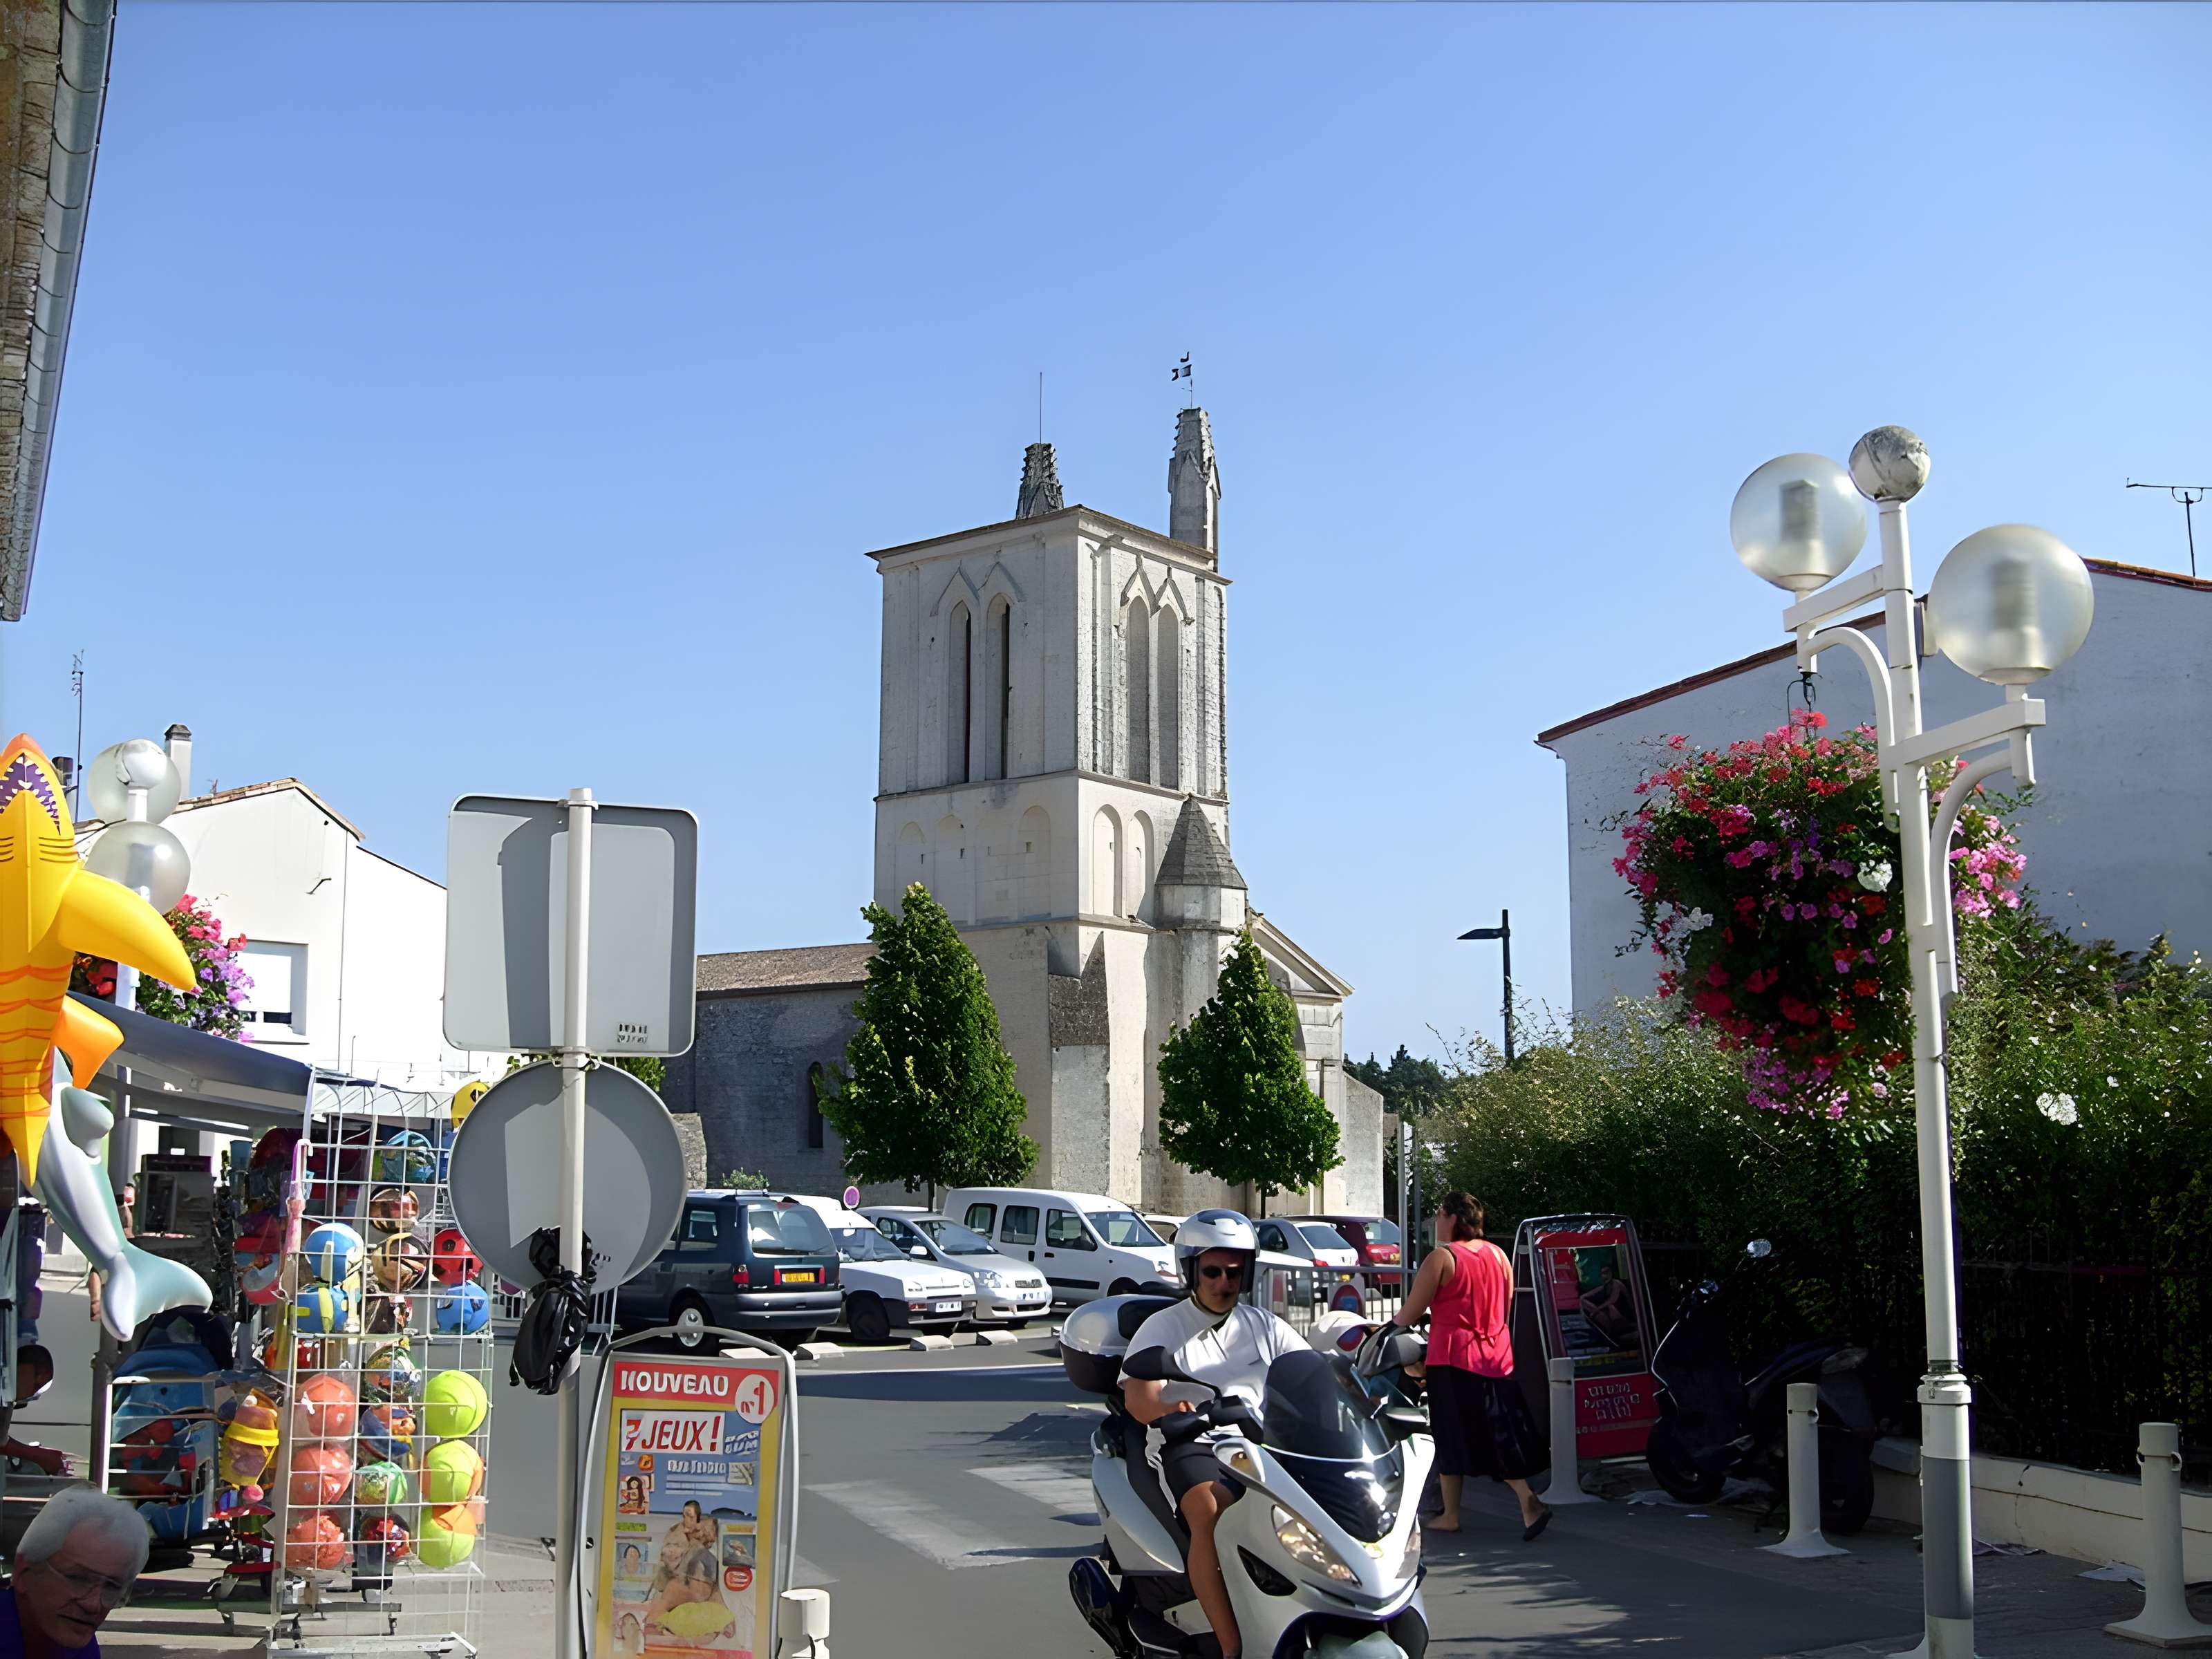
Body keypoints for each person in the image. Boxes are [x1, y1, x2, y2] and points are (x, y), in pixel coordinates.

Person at [1121, 1210, 1302, 1659]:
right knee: (1209, 1510)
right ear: (1191, 1271)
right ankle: (1230, 1645)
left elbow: (1309, 1373)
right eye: (1214, 1271)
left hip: (1262, 1441)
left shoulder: (1265, 1326)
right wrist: (1170, 1408)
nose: (1225, 1281)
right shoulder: (1164, 1327)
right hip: (1192, 1441)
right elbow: (1138, 1400)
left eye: (1235, 1272)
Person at [1385, 1192, 1549, 1539]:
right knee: (1495, 1431)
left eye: (1439, 1214)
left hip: (1453, 1358)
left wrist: (1389, 1326)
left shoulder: (1442, 1258)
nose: (1436, 1221)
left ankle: (1454, 1514)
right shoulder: (1499, 1255)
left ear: (1451, 1217)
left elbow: (1409, 1313)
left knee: (1450, 1435)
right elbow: (1503, 1307)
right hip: (1497, 1356)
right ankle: (1518, 1499)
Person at [0, 1484, 149, 1656]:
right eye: (78, 1578)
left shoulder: (77, 1645)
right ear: (23, 1572)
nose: (93, 1604)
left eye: (112, 1587)